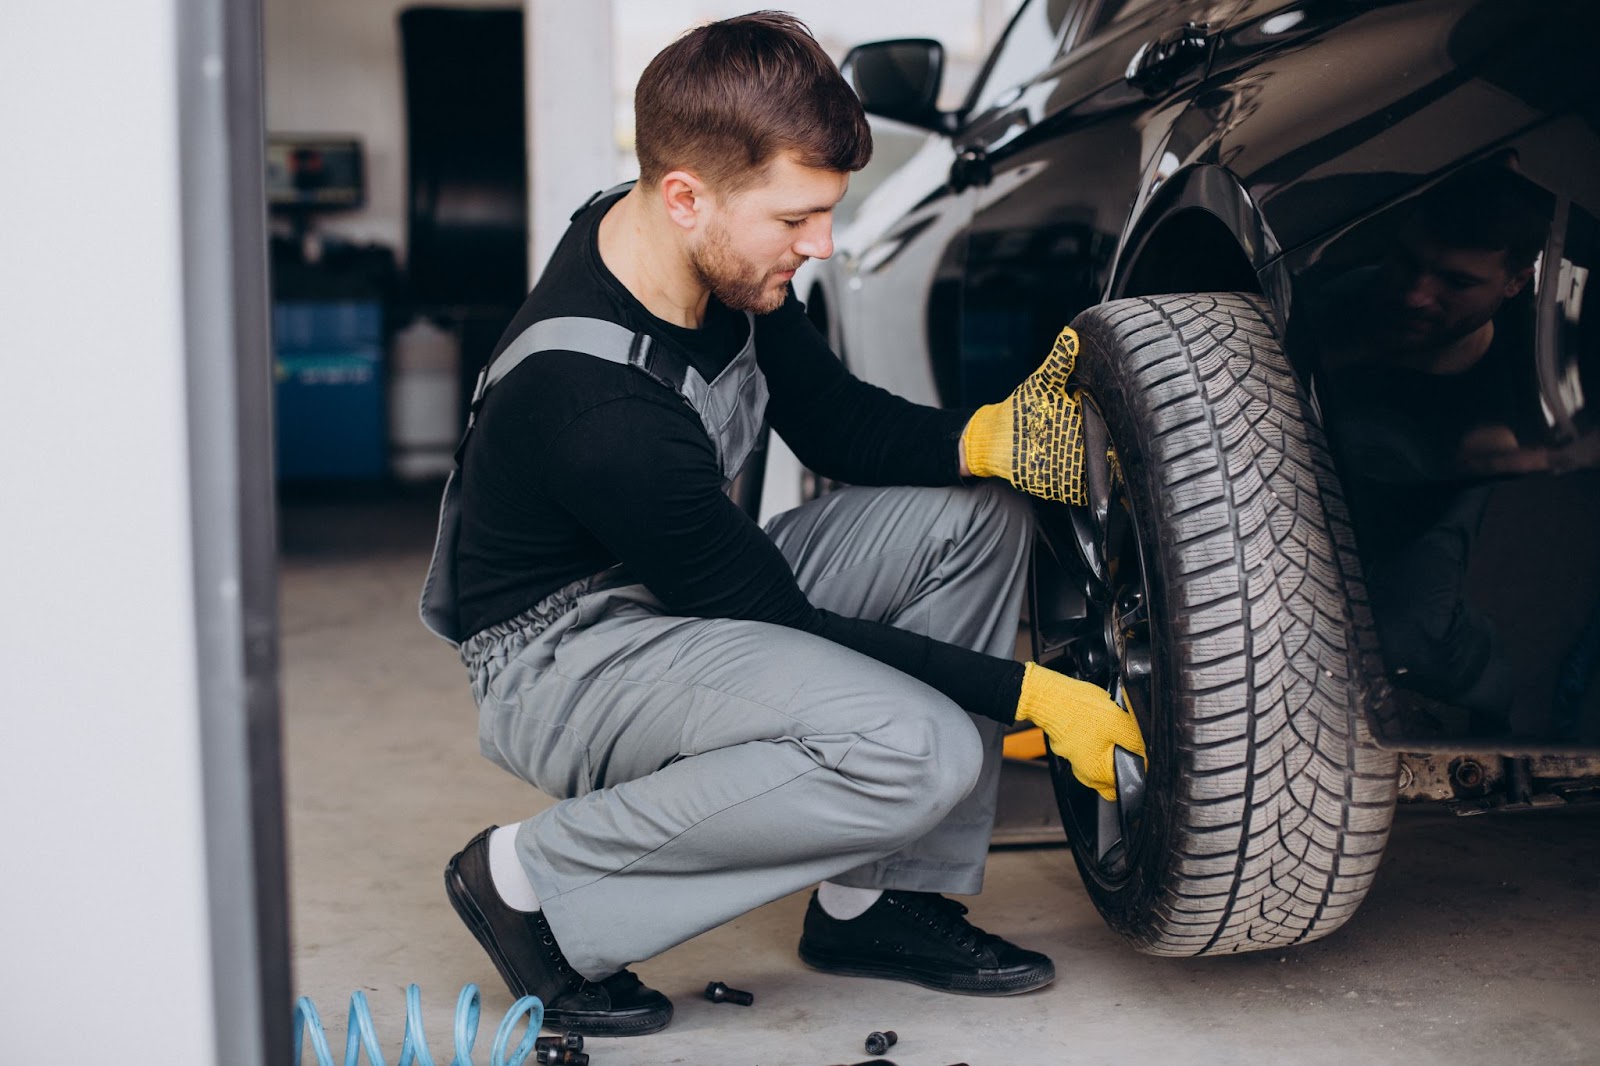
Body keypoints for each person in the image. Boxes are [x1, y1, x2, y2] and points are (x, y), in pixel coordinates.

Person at [420, 12, 1144, 1037]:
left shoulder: (705, 257)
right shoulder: (592, 406)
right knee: (917, 747)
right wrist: (1029, 691)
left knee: (975, 515)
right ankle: (533, 882)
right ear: (684, 196)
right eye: (797, 218)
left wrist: (981, 438)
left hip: (681, 587)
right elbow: (776, 615)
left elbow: (832, 422)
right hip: (560, 657)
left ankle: (875, 899)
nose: (822, 244)